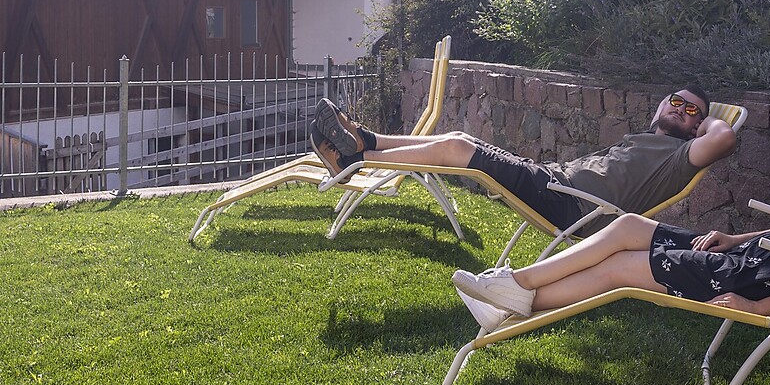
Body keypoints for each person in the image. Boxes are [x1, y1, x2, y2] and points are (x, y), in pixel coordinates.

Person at [452, 72, 770, 325]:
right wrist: (735, 238)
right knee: (627, 227)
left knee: (620, 269)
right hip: (750, 256)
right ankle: (514, 287)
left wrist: (759, 308)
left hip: (757, 280)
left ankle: (511, 298)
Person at [308, 83, 737, 235]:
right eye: (677, 102)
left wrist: (709, 123)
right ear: (662, 104)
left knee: (459, 152)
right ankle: (368, 140)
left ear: (697, 126)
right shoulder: (644, 139)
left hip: (571, 206)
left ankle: (357, 159)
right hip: (553, 181)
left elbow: (725, 139)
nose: (682, 111)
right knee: (459, 137)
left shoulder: (681, 155)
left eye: (693, 112)